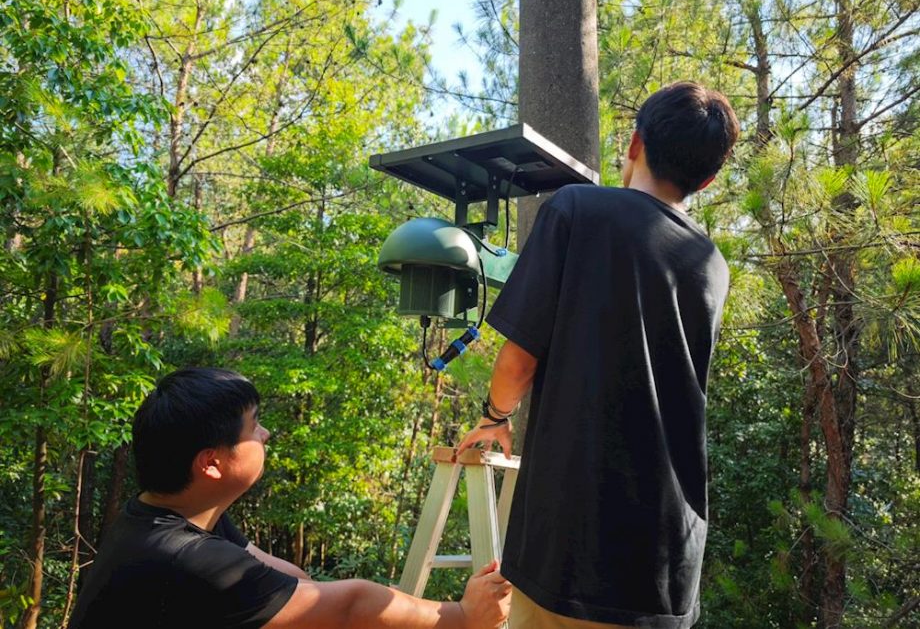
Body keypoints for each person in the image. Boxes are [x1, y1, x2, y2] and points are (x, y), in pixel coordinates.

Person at [456, 81, 740, 629]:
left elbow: (519, 359)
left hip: (573, 548)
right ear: (706, 180)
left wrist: (496, 417)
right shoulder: (713, 264)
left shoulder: (577, 209)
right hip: (667, 558)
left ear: (634, 144)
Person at [69, 367, 511, 629]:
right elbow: (348, 605)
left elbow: (295, 582)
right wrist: (460, 615)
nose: (266, 434)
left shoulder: (174, 515)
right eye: (253, 427)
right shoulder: (186, 559)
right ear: (211, 464)